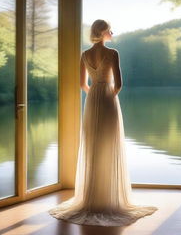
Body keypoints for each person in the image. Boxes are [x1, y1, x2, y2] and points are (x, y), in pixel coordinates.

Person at [48, 19, 158, 226]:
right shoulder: (113, 53)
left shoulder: (84, 54)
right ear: (104, 32)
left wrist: (95, 95)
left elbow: (82, 84)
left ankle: (92, 196)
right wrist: (108, 96)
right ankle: (109, 196)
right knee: (109, 144)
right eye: (110, 30)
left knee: (93, 145)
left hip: (92, 101)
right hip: (108, 99)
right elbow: (119, 84)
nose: (112, 33)